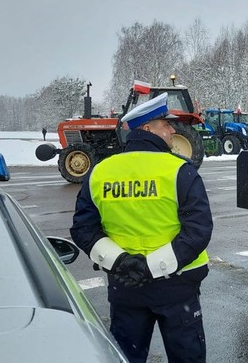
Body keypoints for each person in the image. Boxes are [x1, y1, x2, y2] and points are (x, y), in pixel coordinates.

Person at [70, 93, 213, 363]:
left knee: (126, 357)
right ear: (147, 129)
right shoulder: (180, 170)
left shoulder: (100, 171)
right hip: (177, 285)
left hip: (125, 286)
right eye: (166, 125)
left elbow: (83, 229)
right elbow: (198, 231)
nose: (172, 131)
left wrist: (123, 262)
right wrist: (152, 267)